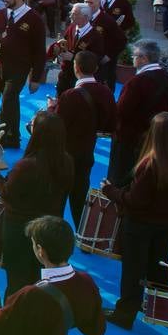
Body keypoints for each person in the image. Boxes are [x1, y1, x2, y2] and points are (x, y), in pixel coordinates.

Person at [102, 112, 168, 329]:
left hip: (139, 224)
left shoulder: (150, 165)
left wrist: (110, 191)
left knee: (133, 270)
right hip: (167, 222)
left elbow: (135, 201)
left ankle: (124, 313)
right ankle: (163, 311)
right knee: (159, 265)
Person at [0, 112, 73, 297]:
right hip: (49, 232)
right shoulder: (67, 162)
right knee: (41, 285)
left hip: (19, 234)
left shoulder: (27, 166)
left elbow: (6, 192)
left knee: (16, 286)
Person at [53, 50, 116, 225]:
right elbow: (110, 125)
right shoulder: (106, 92)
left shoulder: (70, 95)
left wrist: (52, 109)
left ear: (76, 68)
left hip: (65, 154)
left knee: (57, 197)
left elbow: (57, 125)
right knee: (80, 197)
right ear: (95, 68)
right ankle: (84, 234)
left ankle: (53, 235)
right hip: (87, 152)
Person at [0, 0, 48, 148]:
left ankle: (4, 137)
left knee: (8, 99)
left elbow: (40, 51)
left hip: (20, 69)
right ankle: (13, 137)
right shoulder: (0, 14)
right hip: (0, 67)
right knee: (11, 101)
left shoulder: (34, 19)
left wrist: (35, 78)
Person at [109, 39, 168, 182]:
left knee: (121, 180)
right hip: (154, 136)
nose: (133, 58)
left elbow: (121, 111)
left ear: (144, 58)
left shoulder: (136, 82)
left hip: (129, 139)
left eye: (135, 56)